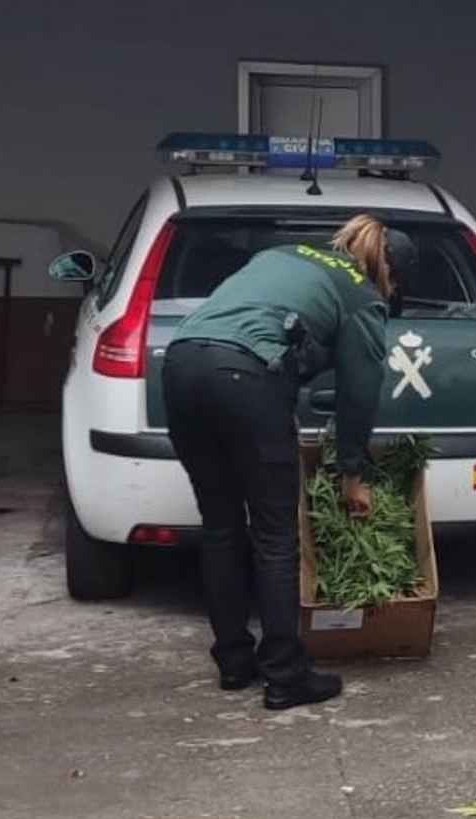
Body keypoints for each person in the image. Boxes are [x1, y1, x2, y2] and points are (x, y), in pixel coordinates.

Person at [163, 214, 417, 711]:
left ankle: (235, 662)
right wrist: (353, 474)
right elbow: (359, 394)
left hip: (180, 366)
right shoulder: (361, 293)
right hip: (245, 377)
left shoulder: (281, 255)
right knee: (275, 536)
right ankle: (285, 676)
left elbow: (265, 324)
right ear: (389, 271)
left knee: (220, 527)